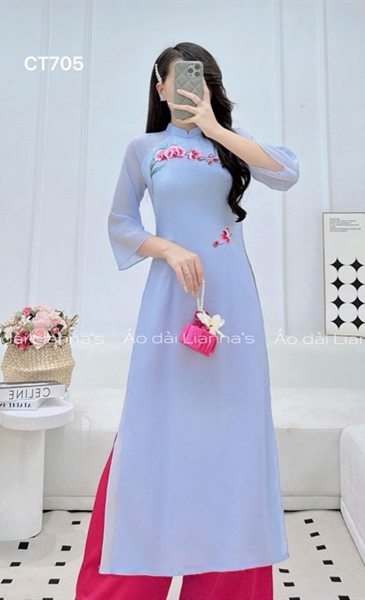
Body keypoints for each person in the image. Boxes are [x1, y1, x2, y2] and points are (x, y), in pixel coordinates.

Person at [75, 41, 299, 600]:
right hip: (171, 298)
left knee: (233, 423)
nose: (190, 90)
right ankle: (141, 560)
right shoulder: (144, 148)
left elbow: (287, 172)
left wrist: (216, 128)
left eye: (200, 81)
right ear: (160, 88)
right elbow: (121, 222)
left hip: (232, 300)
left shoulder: (231, 145)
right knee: (157, 420)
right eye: (179, 82)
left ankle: (226, 571)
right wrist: (169, 248)